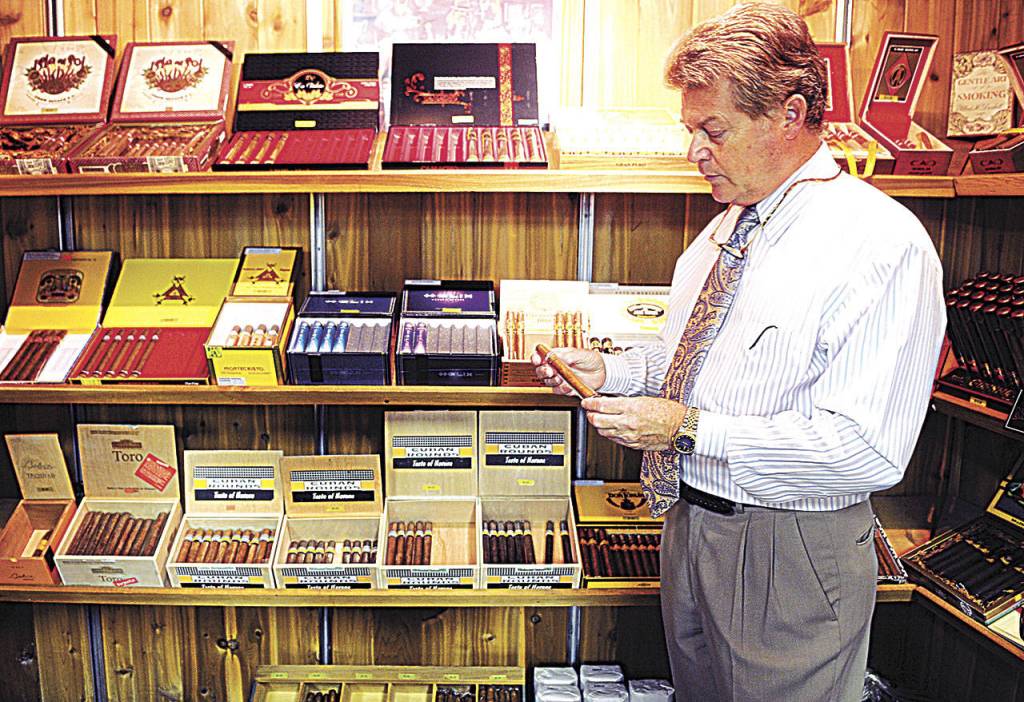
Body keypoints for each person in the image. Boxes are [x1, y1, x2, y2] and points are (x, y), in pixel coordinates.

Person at [533, 4, 945, 701]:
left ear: (789, 114)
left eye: (713, 130)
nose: (694, 150)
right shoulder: (722, 232)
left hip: (791, 546)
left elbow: (866, 449)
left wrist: (687, 430)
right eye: (690, 129)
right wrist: (614, 370)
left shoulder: (880, 244)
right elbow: (695, 362)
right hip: (689, 525)